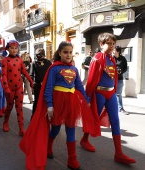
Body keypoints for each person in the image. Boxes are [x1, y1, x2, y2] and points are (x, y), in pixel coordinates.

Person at [19, 41, 100, 170]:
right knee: (55, 129)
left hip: (71, 102)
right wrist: (50, 105)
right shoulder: (54, 68)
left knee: (71, 130)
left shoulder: (74, 69)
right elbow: (49, 87)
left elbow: (78, 86)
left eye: (70, 52)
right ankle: (48, 147)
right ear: (60, 53)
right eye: (65, 52)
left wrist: (86, 100)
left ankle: (72, 159)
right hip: (57, 103)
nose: (68, 55)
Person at [80, 32, 136, 164]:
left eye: (113, 43)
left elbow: (114, 76)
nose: (111, 46)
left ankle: (119, 153)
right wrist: (87, 99)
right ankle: (84, 139)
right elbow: (91, 80)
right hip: (99, 94)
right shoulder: (97, 59)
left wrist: (115, 90)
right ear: (101, 44)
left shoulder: (111, 59)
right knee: (94, 117)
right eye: (108, 43)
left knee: (115, 121)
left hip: (111, 94)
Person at [1, 40, 34, 136]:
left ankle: (21, 128)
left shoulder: (19, 59)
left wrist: (31, 81)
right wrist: (6, 87)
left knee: (19, 108)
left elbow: (24, 72)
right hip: (10, 88)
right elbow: (4, 75)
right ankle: (5, 122)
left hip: (19, 87)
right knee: (10, 107)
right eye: (12, 48)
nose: (14, 50)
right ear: (8, 49)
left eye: (16, 48)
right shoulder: (5, 60)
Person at [30, 48, 52, 117]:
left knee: (47, 101)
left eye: (41, 55)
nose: (39, 57)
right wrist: (32, 83)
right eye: (38, 55)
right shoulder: (34, 63)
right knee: (36, 101)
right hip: (38, 85)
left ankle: (46, 117)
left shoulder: (48, 62)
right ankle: (34, 116)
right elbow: (31, 74)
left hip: (47, 85)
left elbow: (51, 73)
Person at [113, 46, 129, 115]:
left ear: (118, 51)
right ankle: (110, 108)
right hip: (111, 79)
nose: (113, 51)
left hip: (119, 79)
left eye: (114, 50)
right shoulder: (111, 58)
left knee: (118, 94)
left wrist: (121, 71)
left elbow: (125, 68)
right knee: (110, 94)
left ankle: (120, 108)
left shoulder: (123, 59)